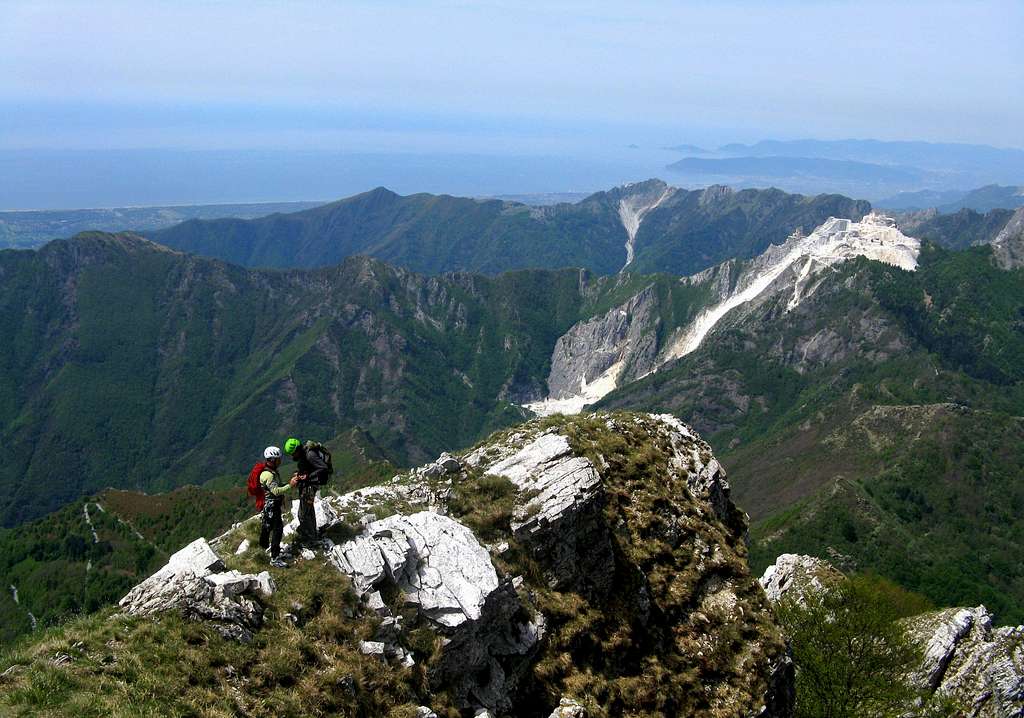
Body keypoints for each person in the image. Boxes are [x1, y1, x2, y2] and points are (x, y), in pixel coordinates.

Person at [283, 437, 331, 549]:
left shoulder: (310, 455)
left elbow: (323, 468)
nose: (292, 457)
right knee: (308, 511)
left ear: (297, 450)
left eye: (292, 454)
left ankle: (310, 539)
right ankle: (313, 535)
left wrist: (308, 476)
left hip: (310, 487)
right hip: (308, 485)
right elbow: (309, 468)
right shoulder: (304, 454)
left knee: (303, 514)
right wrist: (300, 474)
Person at [258, 446, 297, 567]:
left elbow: (276, 486)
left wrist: (289, 482)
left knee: (267, 527)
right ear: (273, 459)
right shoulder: (269, 475)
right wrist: (290, 485)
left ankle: (262, 549)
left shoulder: (270, 471)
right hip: (272, 505)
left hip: (269, 505)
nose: (280, 461)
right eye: (278, 459)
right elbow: (275, 491)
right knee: (277, 530)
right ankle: (274, 558)